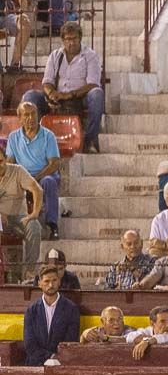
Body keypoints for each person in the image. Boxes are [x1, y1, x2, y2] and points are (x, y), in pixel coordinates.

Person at [23, 21, 104, 154]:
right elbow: (47, 81)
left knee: (97, 94)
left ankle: (90, 140)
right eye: (68, 39)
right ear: (63, 40)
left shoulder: (90, 56)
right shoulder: (55, 55)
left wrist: (69, 95)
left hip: (79, 97)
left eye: (74, 39)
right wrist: (51, 93)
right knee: (29, 96)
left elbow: (93, 83)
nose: (71, 43)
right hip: (57, 98)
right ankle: (30, 139)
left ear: (80, 38)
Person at [6, 101, 59, 237]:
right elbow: (9, 163)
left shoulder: (48, 136)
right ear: (20, 118)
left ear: (38, 115)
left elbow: (54, 164)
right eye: (26, 115)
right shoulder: (13, 138)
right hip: (23, 178)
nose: (31, 118)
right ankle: (12, 225)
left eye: (33, 114)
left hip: (43, 176)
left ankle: (52, 225)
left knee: (49, 181)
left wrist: (35, 179)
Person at [22, 264, 77, 366]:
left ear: (59, 281)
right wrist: (51, 357)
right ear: (39, 284)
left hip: (61, 365)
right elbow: (29, 344)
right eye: (47, 281)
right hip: (35, 366)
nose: (51, 285)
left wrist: (58, 359)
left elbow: (71, 341)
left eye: (54, 280)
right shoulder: (31, 311)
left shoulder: (71, 309)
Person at [0, 151, 43, 280]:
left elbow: (37, 189)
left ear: (6, 159)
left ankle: (29, 272)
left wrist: (35, 213)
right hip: (1, 220)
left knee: (34, 226)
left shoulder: (18, 171)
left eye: (0, 161)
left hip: (19, 218)